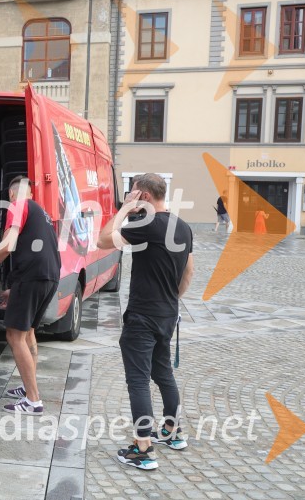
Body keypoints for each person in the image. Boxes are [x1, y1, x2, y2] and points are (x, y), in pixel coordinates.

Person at [97, 173, 194, 470]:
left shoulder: (145, 223)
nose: (131, 197)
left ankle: (143, 449)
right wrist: (171, 299)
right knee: (164, 374)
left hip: (142, 316)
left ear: (145, 196)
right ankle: (172, 432)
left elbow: (102, 241)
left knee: (138, 380)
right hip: (167, 314)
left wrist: (125, 209)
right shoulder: (183, 226)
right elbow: (189, 271)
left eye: (133, 193)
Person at [0, 176, 60, 415]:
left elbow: (7, 245)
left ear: (12, 194)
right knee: (28, 331)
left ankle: (33, 400)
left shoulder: (17, 205)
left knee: (14, 336)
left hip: (33, 278)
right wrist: (15, 287)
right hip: (49, 276)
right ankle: (28, 387)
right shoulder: (40, 211)